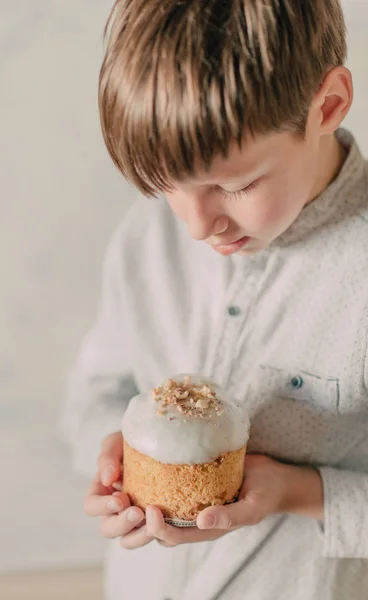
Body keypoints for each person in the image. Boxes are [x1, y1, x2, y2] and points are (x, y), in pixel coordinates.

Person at [60, 1, 368, 599]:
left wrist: (298, 491)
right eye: (168, 184)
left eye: (236, 184)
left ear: (326, 106)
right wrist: (113, 457)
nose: (198, 226)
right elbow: (95, 394)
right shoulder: (146, 239)